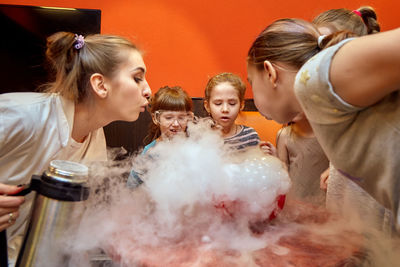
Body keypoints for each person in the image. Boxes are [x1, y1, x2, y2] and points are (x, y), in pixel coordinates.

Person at [0, 31, 151, 262]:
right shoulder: (23, 116)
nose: (148, 90)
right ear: (100, 84)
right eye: (137, 78)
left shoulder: (95, 139)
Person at [246, 18, 400, 231]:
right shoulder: (318, 100)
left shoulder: (317, 77)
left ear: (270, 73)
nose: (252, 94)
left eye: (251, 81)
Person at [127, 86, 193, 187]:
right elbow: (131, 187)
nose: (175, 123)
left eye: (181, 117)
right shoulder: (150, 153)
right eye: (169, 117)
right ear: (155, 118)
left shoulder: (194, 148)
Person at [203, 72, 266, 152]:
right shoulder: (202, 136)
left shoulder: (249, 136)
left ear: (241, 105)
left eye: (232, 103)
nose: (225, 109)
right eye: (218, 103)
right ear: (207, 106)